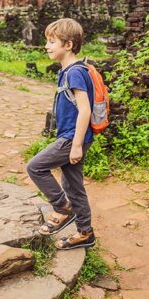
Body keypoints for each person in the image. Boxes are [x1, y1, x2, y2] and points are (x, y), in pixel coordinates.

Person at [26, 18, 96, 250]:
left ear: (68, 45)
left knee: (35, 167)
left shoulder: (74, 72)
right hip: (71, 136)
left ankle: (63, 208)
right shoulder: (69, 70)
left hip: (72, 138)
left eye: (52, 41)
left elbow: (85, 110)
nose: (46, 46)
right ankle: (85, 233)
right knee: (73, 185)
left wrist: (75, 145)